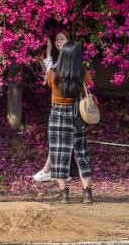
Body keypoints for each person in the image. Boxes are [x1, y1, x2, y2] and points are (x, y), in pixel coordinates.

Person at [47, 41, 93, 204]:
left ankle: (63, 193)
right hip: (77, 114)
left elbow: (49, 85)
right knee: (81, 153)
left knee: (59, 153)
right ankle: (87, 193)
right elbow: (87, 85)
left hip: (58, 113)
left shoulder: (53, 74)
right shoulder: (83, 74)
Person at [33, 28, 71, 183]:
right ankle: (56, 171)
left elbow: (51, 77)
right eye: (57, 39)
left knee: (58, 139)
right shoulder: (63, 58)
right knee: (60, 139)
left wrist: (47, 58)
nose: (58, 42)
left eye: (62, 39)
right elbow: (50, 78)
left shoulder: (68, 59)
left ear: (69, 41)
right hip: (58, 104)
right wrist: (48, 54)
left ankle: (50, 170)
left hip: (64, 105)